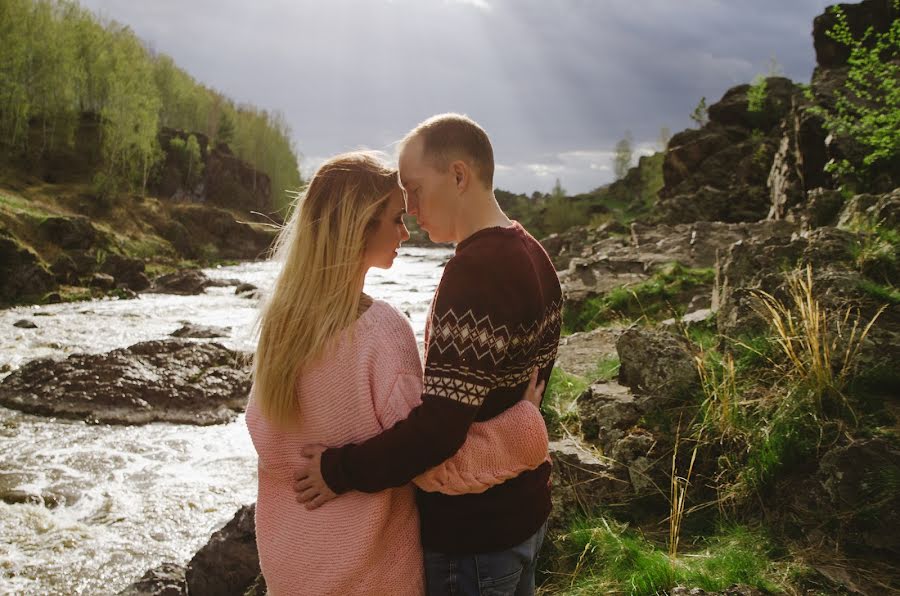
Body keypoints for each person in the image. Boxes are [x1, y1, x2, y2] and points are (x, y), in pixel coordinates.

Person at [245, 151, 550, 596]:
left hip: (292, 571)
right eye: (395, 219)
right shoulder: (379, 333)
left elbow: (272, 445)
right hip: (367, 577)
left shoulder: (280, 326)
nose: (405, 233)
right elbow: (434, 465)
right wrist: (523, 423)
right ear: (356, 227)